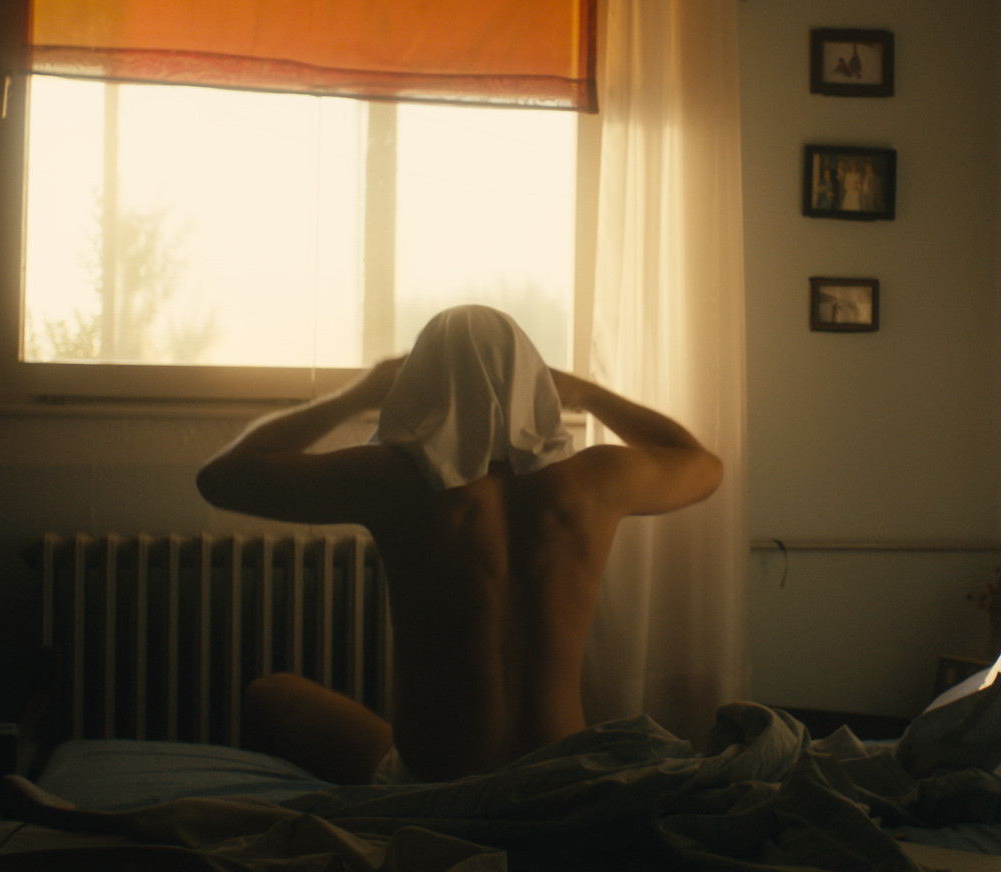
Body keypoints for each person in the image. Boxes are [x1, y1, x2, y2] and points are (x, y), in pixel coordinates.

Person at [195, 305, 722, 785]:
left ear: (419, 385)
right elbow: (704, 465)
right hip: (557, 779)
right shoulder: (593, 483)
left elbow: (221, 478)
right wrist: (587, 394)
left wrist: (361, 393)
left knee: (270, 693)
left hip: (436, 784)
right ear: (535, 383)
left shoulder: (393, 481)